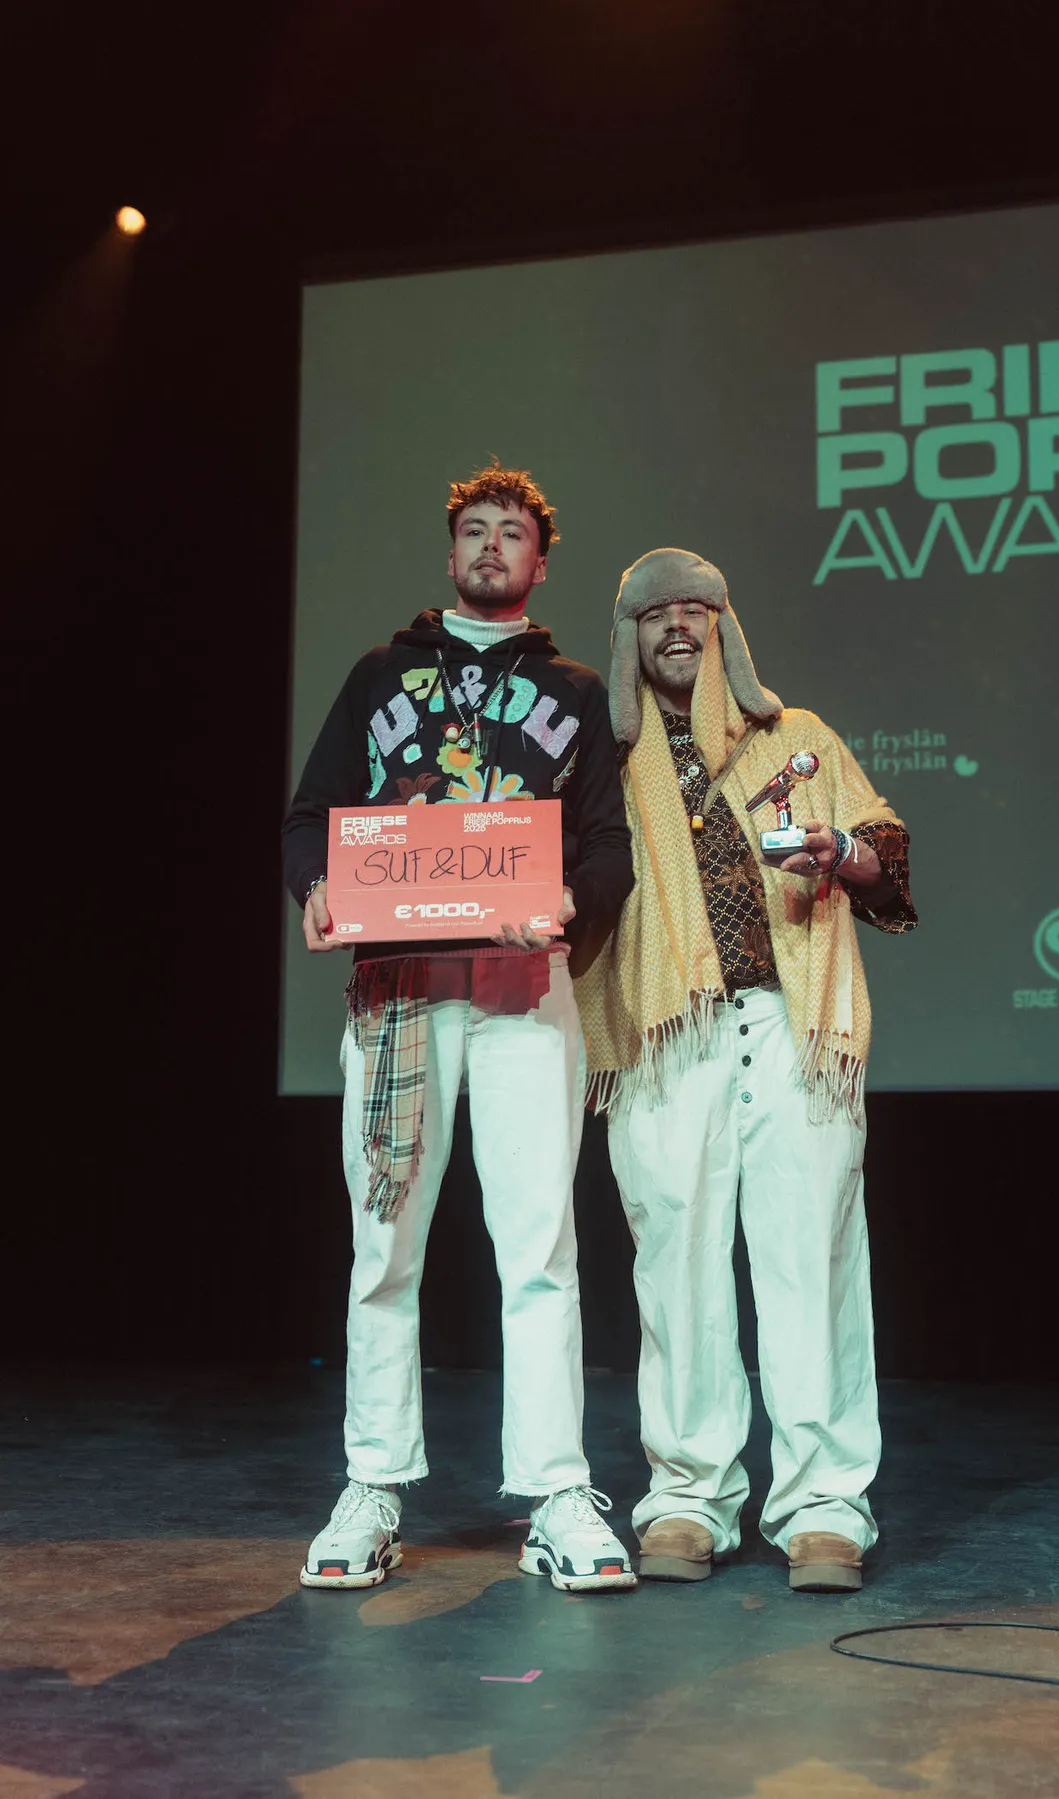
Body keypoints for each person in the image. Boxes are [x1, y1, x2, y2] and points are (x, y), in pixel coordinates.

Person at [282, 464, 636, 1593]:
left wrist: (571, 900)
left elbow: (607, 843)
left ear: (540, 562)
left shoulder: (576, 689)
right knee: (384, 1246)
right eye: (475, 530)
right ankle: (373, 1481)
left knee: (538, 1248)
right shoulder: (380, 674)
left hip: (524, 983)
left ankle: (557, 1489)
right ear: (450, 556)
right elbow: (311, 815)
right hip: (400, 988)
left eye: (512, 533)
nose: (491, 545)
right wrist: (316, 888)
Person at [575, 548, 917, 1591]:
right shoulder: (599, 757)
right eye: (656, 614)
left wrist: (843, 853)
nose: (678, 626)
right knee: (674, 1262)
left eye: (696, 609)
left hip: (789, 1020)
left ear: (726, 626)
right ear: (629, 637)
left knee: (811, 1257)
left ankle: (825, 1505)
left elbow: (886, 851)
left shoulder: (795, 736)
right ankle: (688, 1495)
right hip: (664, 1029)